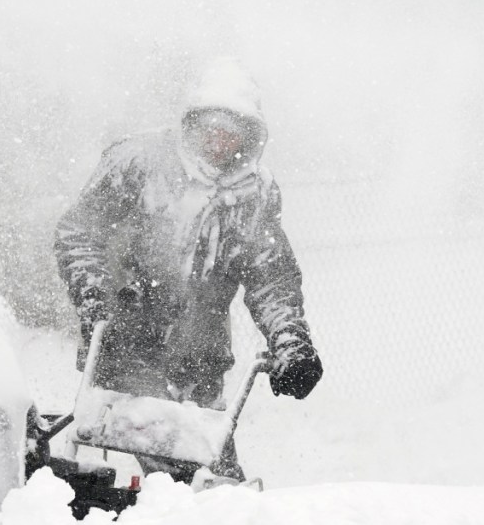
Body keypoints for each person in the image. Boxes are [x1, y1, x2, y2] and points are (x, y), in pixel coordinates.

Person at [54, 58, 322, 482]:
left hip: (199, 357)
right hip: (127, 337)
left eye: (232, 132)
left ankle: (205, 513)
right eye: (210, 127)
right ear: (191, 124)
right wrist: (94, 291)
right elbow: (79, 231)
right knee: (185, 471)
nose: (219, 140)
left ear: (250, 137)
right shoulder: (139, 162)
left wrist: (291, 341)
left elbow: (271, 276)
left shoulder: (255, 195)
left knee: (213, 470)